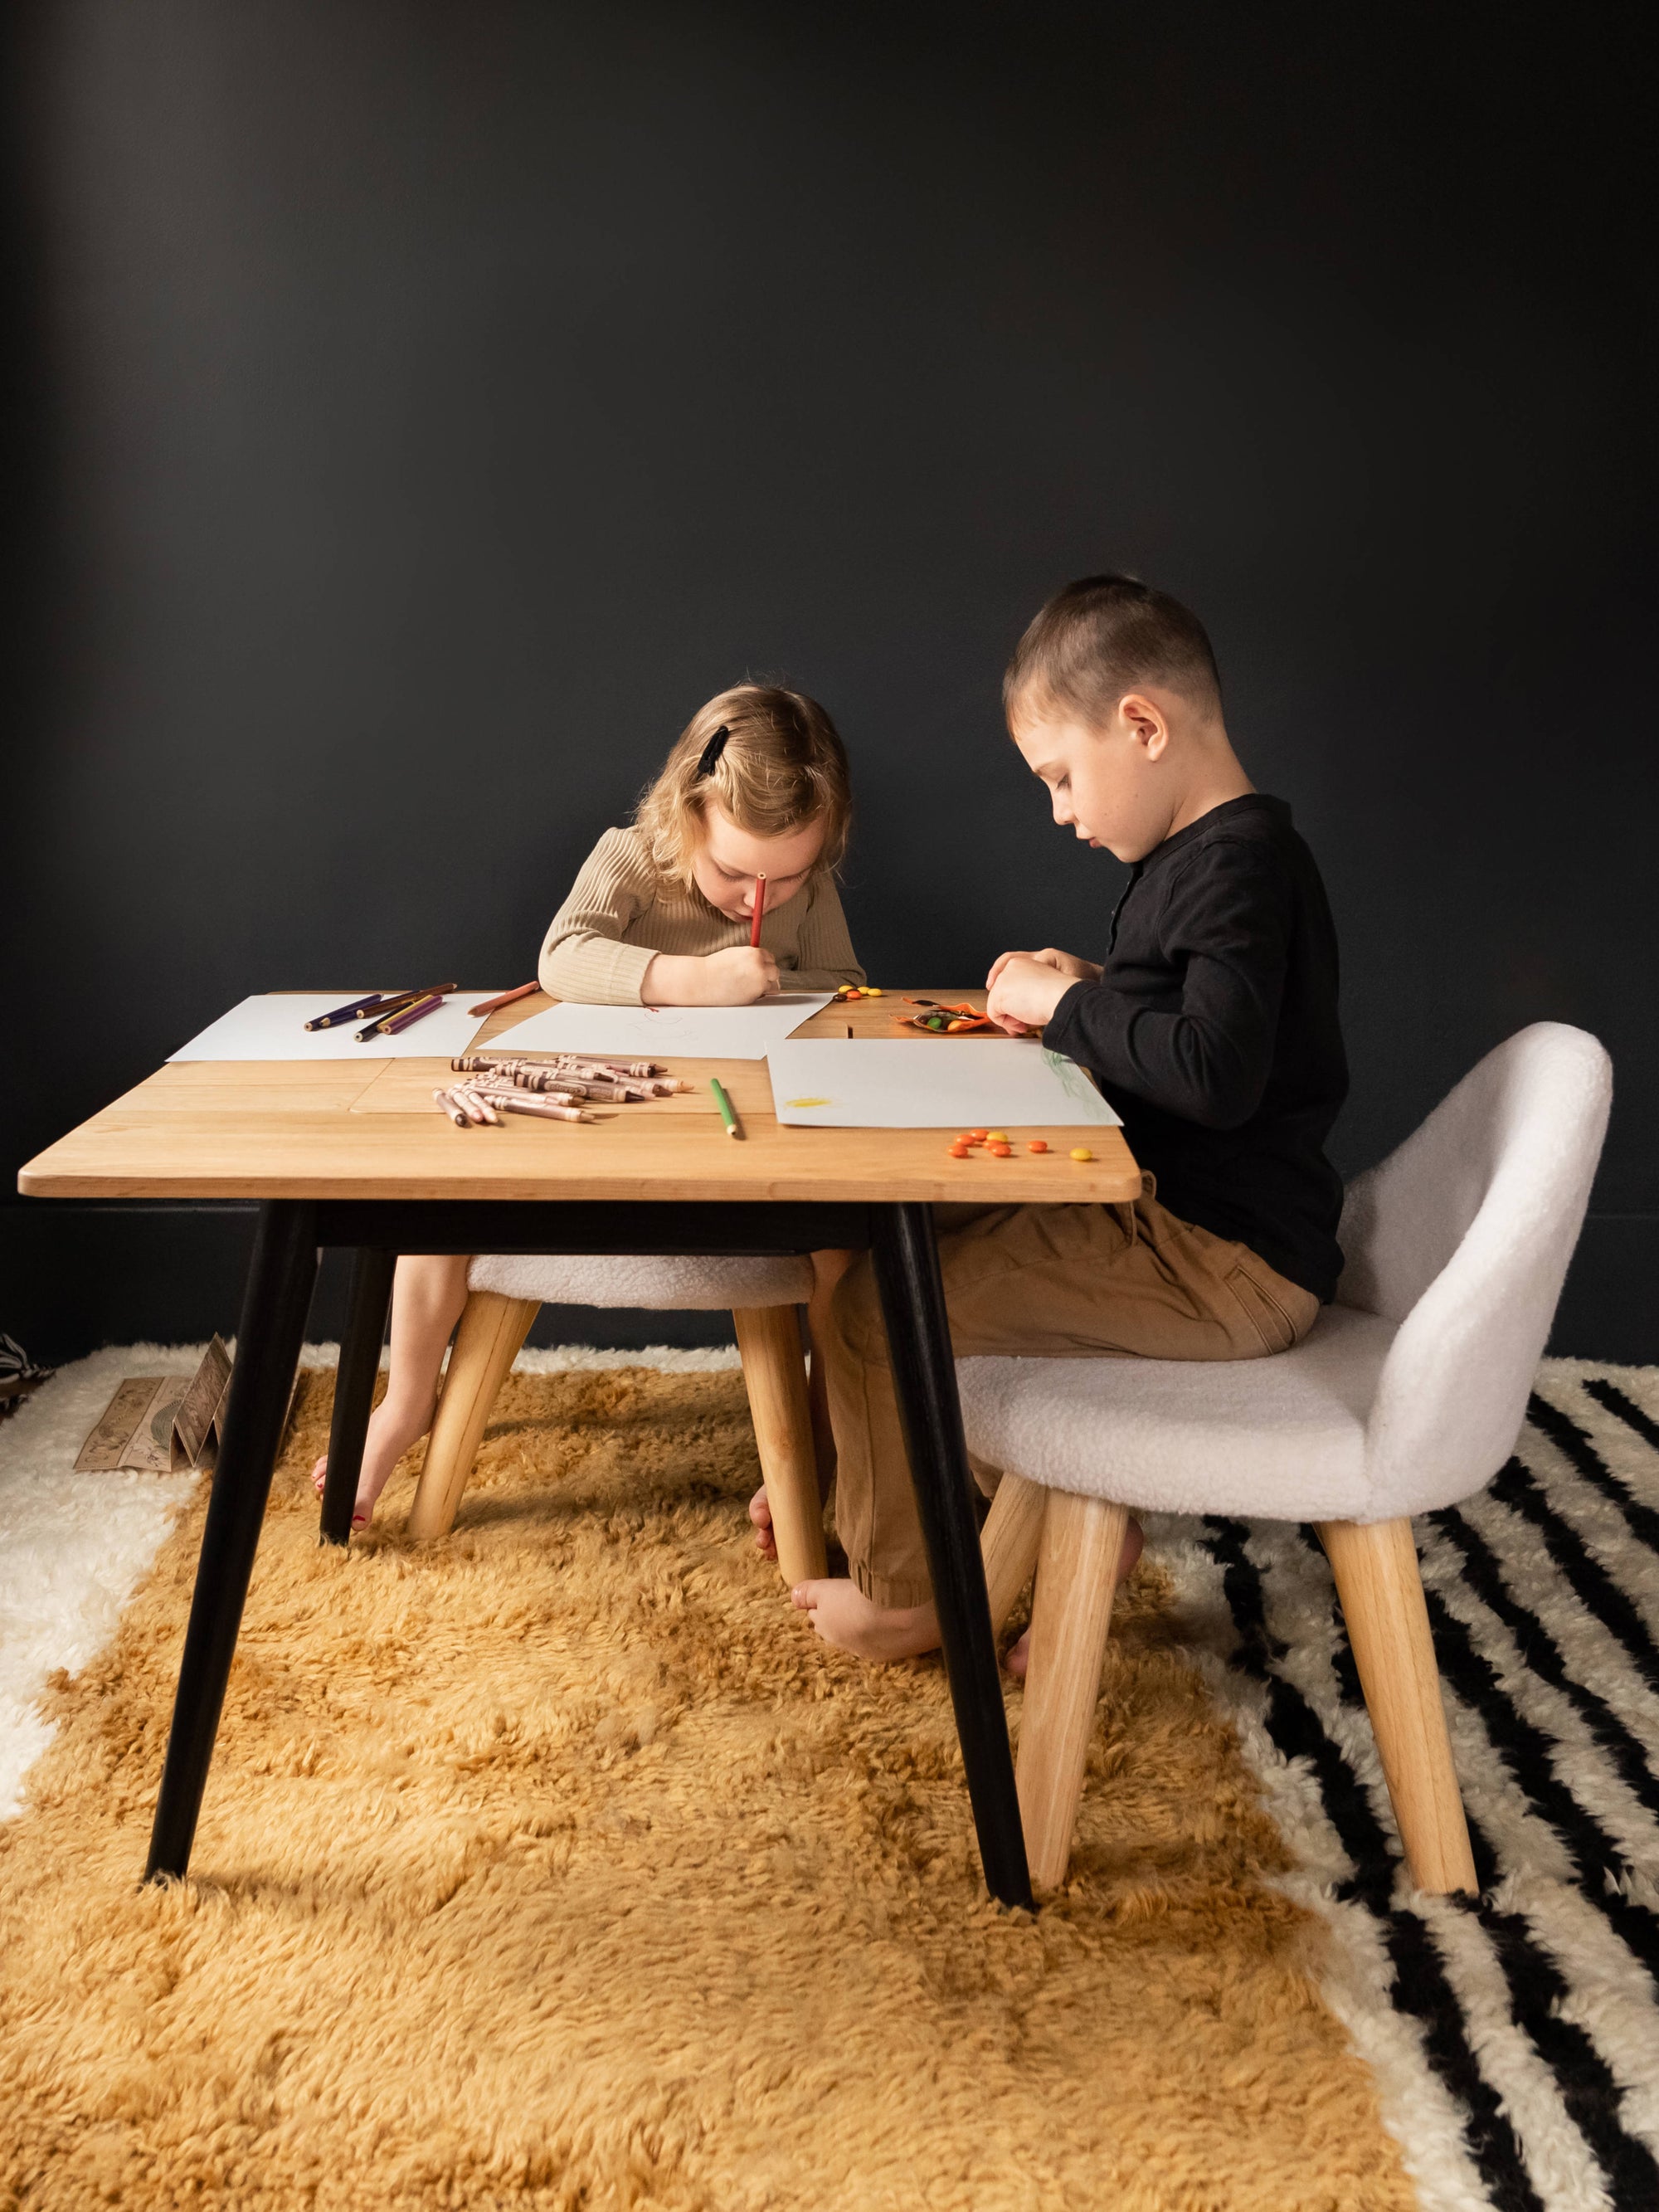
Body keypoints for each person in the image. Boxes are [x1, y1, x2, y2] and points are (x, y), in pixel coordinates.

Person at [792, 574, 1348, 1663]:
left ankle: (913, 1597)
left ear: (1141, 724)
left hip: (1217, 1261)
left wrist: (1073, 1007)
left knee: (874, 1313)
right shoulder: (1206, 858)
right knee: (899, 1241)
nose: (1060, 810)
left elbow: (1214, 1072)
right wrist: (1091, 981)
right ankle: (1064, 1516)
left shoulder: (1234, 870)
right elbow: (1213, 1017)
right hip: (1184, 1227)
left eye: (1061, 775)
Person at [313, 683, 864, 1531]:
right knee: (435, 1197)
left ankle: (831, 1442)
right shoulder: (634, 857)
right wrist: (688, 980)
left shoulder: (808, 892)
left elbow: (844, 991)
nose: (758, 900)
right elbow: (563, 953)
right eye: (732, 872)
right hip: (595, 1135)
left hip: (740, 1152)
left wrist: (780, 983)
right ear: (686, 813)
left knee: (847, 1241)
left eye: (784, 879)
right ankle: (404, 1403)